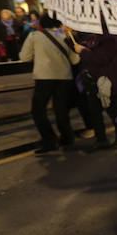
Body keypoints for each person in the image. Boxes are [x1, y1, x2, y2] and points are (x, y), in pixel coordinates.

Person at [66, 23, 117, 152]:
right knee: (95, 111)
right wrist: (70, 38)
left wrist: (83, 51)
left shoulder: (111, 38)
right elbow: (83, 47)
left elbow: (101, 58)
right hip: (94, 81)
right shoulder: (94, 37)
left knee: (113, 111)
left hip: (108, 81)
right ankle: (101, 139)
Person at [20, 13, 80, 154]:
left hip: (44, 77)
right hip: (65, 77)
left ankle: (49, 140)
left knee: (38, 111)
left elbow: (24, 57)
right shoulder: (65, 36)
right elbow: (75, 60)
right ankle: (67, 137)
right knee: (61, 110)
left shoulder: (35, 36)